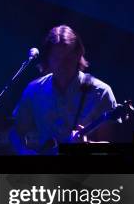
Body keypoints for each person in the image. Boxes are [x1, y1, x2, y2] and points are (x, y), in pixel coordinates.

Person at [10, 25, 118, 155]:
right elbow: (15, 131)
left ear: (78, 55)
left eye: (68, 58)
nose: (62, 64)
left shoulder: (101, 92)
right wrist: (24, 152)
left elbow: (110, 145)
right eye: (57, 58)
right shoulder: (34, 90)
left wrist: (88, 146)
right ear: (48, 59)